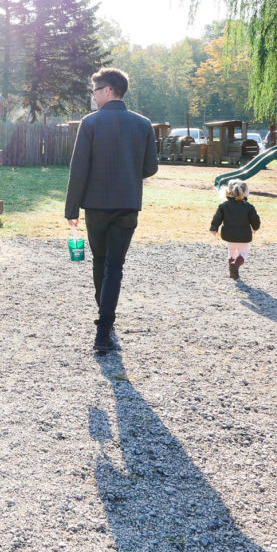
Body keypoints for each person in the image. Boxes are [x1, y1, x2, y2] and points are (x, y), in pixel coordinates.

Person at [64, 67, 158, 354]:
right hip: (128, 203)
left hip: (96, 205)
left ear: (108, 90)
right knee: (115, 266)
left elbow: (79, 168)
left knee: (99, 261)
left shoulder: (90, 124)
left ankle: (104, 322)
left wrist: (71, 208)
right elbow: (151, 167)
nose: (93, 97)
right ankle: (104, 328)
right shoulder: (143, 124)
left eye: (95, 91)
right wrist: (129, 174)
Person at [210, 179, 260, 279]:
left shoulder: (223, 206)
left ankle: (231, 271)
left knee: (232, 253)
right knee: (243, 253)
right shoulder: (249, 207)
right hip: (244, 236)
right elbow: (255, 220)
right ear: (245, 193)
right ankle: (235, 266)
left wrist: (214, 228)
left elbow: (217, 218)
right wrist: (255, 228)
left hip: (229, 235)